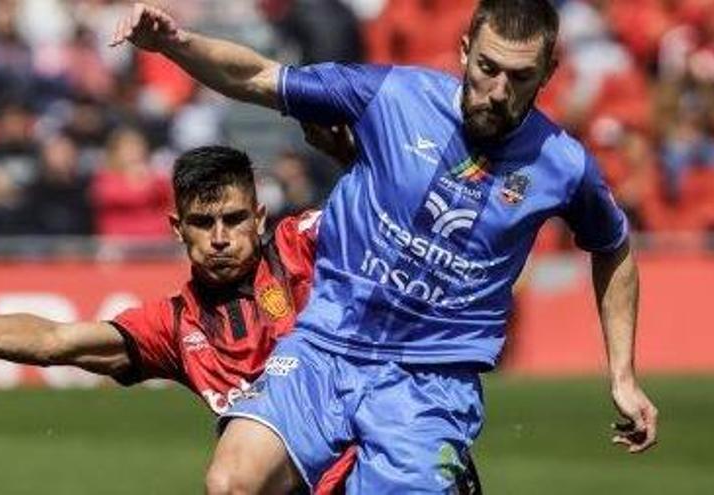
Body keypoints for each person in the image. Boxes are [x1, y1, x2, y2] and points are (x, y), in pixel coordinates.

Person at [109, 1, 659, 493]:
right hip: (326, 346)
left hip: (430, 382)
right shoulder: (392, 95)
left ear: (548, 74)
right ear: (465, 51)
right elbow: (258, 76)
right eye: (487, 68)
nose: (497, 90)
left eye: (520, 77)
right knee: (232, 483)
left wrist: (622, 376)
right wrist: (176, 45)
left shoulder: (563, 165)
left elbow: (613, 247)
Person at [0, 144, 482, 495]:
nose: (221, 238)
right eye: (203, 224)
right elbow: (51, 341)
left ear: (258, 218)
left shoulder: (305, 247)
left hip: (389, 464)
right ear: (178, 229)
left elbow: (393, 218)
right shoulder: (173, 326)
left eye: (234, 219)